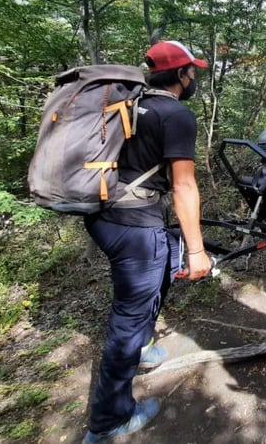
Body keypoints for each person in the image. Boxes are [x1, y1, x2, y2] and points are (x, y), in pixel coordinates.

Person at [81, 40, 212, 444]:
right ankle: (108, 421)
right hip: (134, 226)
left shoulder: (123, 103)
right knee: (127, 317)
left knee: (159, 268)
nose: (194, 79)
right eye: (192, 72)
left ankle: (144, 346)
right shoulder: (175, 114)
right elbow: (184, 186)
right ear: (179, 75)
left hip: (102, 217)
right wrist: (197, 250)